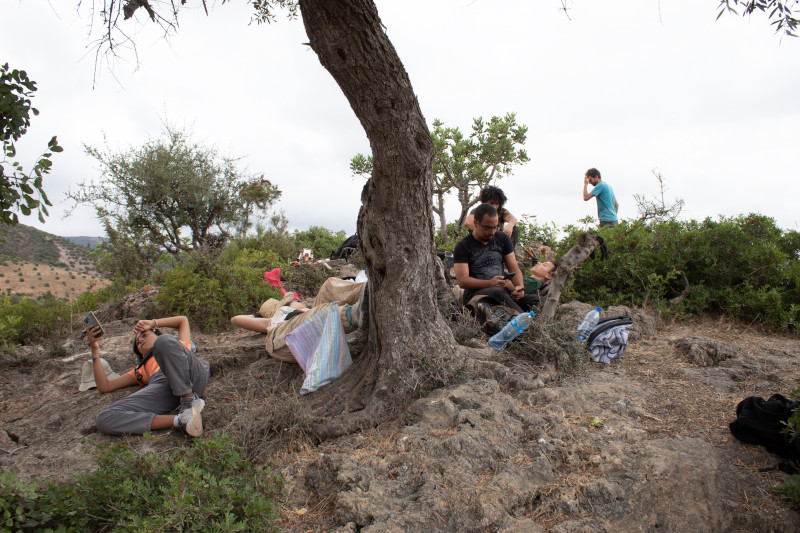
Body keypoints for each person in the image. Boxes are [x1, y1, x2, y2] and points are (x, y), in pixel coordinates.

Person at [86, 315, 210, 437]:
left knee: (163, 342)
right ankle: (182, 420)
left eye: (144, 335)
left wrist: (153, 323)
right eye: (137, 342)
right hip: (164, 388)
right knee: (105, 418)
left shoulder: (176, 344)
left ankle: (189, 402)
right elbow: (104, 386)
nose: (140, 340)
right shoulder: (141, 369)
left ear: (156, 333)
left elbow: (182, 320)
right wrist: (94, 350)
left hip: (191, 376)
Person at [231, 277, 368, 363]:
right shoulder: (277, 317)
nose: (301, 301)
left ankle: (366, 290)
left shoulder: (305, 309)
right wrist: (267, 314)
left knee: (328, 285)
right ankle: (354, 314)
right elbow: (235, 319)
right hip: (285, 337)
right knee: (317, 314)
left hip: (308, 319)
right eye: (296, 301)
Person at [454, 203, 538, 314]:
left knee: (535, 300)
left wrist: (520, 287)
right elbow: (463, 281)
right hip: (477, 296)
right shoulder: (463, 246)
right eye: (487, 228)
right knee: (498, 293)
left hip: (503, 294)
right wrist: (490, 283)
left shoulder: (502, 238)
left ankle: (525, 322)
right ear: (475, 223)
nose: (492, 232)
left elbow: (513, 267)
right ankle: (526, 324)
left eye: (495, 227)